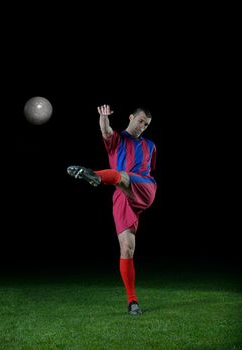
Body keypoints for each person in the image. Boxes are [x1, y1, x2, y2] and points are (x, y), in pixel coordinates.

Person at [67, 104, 157, 316]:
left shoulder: (151, 145)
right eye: (141, 120)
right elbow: (106, 131)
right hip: (121, 196)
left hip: (144, 187)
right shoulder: (117, 140)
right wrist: (103, 117)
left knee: (121, 175)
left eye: (147, 124)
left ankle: (94, 175)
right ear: (131, 117)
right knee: (127, 248)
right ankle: (132, 301)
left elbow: (149, 170)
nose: (143, 126)